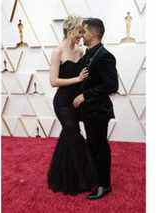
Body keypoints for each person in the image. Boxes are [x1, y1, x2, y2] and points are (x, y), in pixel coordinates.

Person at [47, 15, 98, 195]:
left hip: (76, 102)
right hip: (62, 103)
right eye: (79, 32)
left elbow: (86, 78)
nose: (81, 36)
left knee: (69, 137)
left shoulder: (80, 51)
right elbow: (53, 81)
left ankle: (63, 176)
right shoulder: (57, 52)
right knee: (75, 136)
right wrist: (77, 79)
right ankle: (86, 179)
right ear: (70, 30)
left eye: (82, 32)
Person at [73, 18, 119, 200]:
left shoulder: (105, 56)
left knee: (99, 147)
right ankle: (96, 180)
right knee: (92, 146)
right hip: (89, 111)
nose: (81, 35)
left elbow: (112, 85)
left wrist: (85, 95)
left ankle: (104, 185)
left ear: (92, 33)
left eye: (83, 32)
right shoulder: (88, 54)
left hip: (99, 111)